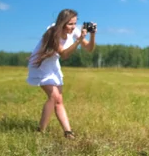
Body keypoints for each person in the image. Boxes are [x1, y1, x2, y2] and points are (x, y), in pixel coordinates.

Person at [27, 9, 97, 138]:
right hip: (40, 64)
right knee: (53, 97)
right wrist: (79, 40)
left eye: (75, 23)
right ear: (62, 22)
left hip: (53, 64)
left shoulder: (74, 31)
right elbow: (64, 54)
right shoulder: (52, 32)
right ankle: (40, 131)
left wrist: (92, 35)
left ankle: (68, 132)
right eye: (70, 24)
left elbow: (89, 49)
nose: (73, 27)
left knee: (59, 99)